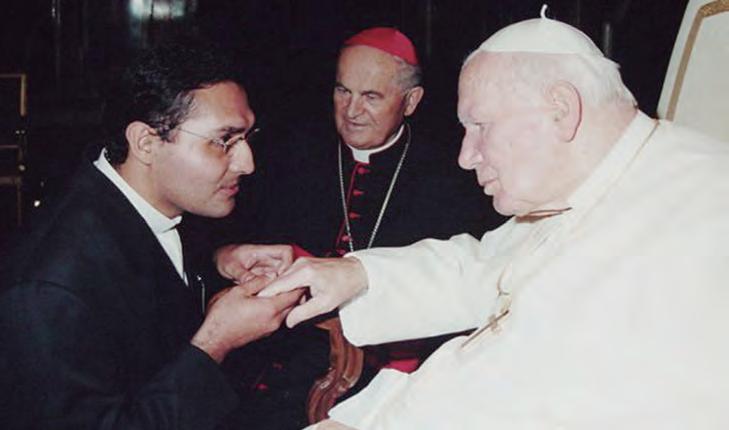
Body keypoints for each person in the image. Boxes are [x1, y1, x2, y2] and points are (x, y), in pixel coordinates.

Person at [259, 14, 729, 429]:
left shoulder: (692, 215)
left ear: (561, 110)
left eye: (480, 126)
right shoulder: (601, 182)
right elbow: (487, 267)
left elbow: (528, 395)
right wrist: (357, 274)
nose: (466, 156)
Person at [0, 40, 303, 429]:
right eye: (224, 141)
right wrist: (215, 344)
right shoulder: (50, 290)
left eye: (247, 137)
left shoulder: (134, 198)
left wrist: (218, 260)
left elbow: (148, 263)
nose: (247, 163)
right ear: (145, 142)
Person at [213, 27, 502, 428]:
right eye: (342, 91)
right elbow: (222, 238)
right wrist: (226, 254)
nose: (351, 110)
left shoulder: (450, 178)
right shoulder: (287, 153)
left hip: (378, 368)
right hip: (266, 350)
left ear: (411, 101)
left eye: (371, 96)